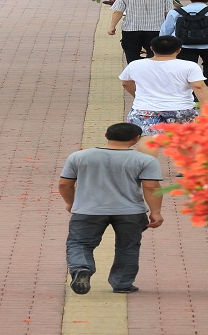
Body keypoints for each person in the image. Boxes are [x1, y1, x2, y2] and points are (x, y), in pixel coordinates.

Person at [59, 122, 164, 295]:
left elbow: (65, 184)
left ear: (106, 135)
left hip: (88, 210)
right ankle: (122, 283)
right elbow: (151, 187)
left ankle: (81, 268)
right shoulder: (145, 160)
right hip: (130, 211)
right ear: (135, 139)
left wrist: (72, 202)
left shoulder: (79, 157)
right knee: (128, 246)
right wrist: (156, 212)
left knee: (79, 243)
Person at [119, 35, 208, 156]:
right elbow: (199, 86)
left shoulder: (136, 65)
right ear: (178, 50)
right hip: (181, 108)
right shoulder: (189, 66)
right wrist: (205, 108)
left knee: (148, 138)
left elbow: (125, 83)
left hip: (145, 109)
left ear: (151, 48)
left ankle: (148, 170)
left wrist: (137, 96)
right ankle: (186, 169)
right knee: (185, 139)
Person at [109, 0, 173, 63]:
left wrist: (112, 27)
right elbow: (168, 14)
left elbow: (118, 12)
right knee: (155, 53)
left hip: (131, 29)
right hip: (156, 29)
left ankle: (134, 71)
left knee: (131, 53)